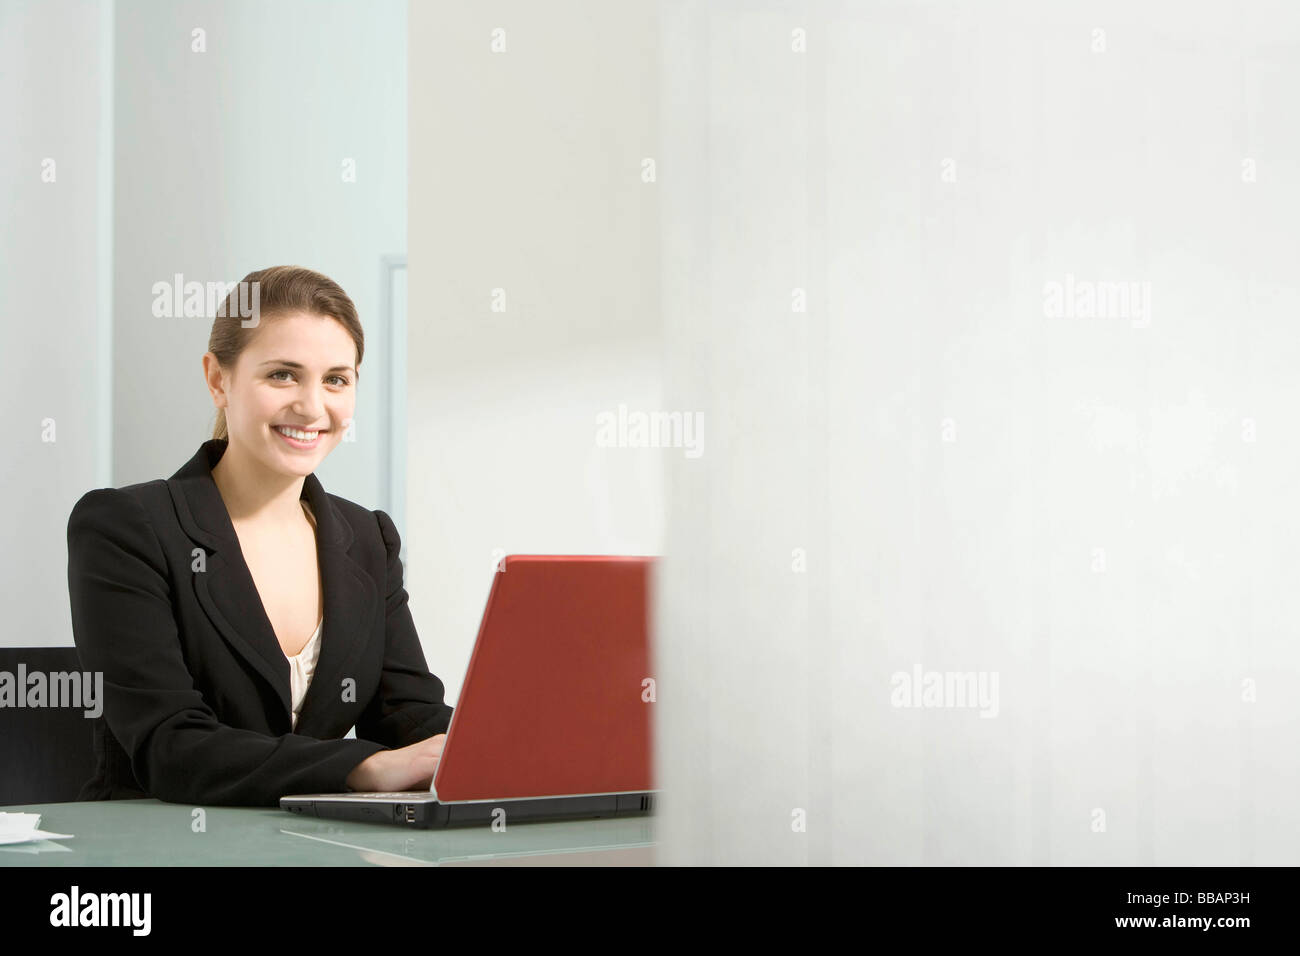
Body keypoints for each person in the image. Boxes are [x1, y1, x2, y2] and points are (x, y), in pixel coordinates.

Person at [66, 265, 451, 806]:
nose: (312, 407)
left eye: (336, 379)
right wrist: (360, 767)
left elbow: (409, 717)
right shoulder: (127, 527)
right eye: (282, 375)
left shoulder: (367, 537)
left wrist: (504, 746)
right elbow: (172, 749)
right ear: (217, 379)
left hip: (308, 851)